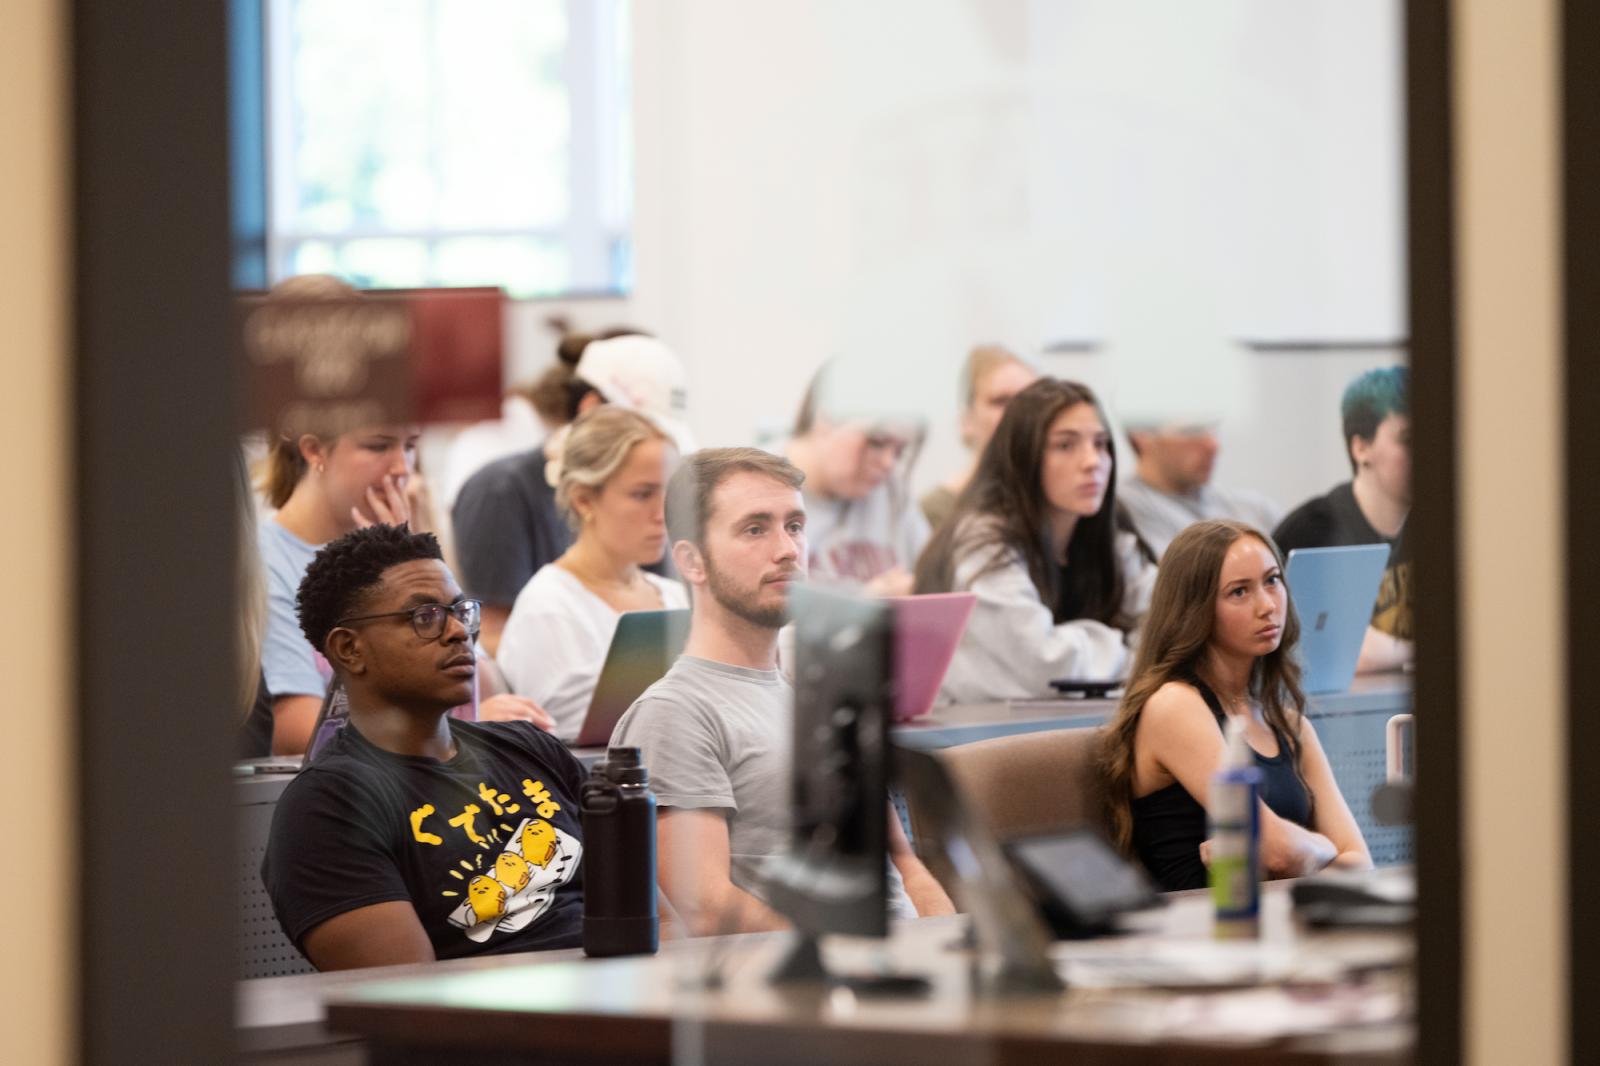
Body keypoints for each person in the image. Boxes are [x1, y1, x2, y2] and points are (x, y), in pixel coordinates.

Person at [609, 448, 953, 936]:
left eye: (795, 526)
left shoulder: (824, 701)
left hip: (898, 976)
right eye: (755, 529)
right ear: (692, 561)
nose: (788, 549)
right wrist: (847, 962)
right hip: (806, 986)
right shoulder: (675, 713)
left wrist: (945, 944)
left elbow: (902, 863)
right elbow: (705, 906)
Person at [262, 525, 587, 970]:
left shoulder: (531, 748)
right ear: (349, 649)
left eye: (461, 612)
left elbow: (659, 924)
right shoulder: (327, 807)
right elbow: (412, 1000)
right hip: (506, 1032)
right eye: (425, 617)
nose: (458, 632)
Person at [257, 278, 550, 754]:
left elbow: (484, 685)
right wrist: (464, 724)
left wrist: (415, 558)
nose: (400, 468)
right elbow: (297, 730)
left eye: (410, 447)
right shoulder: (268, 562)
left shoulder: (404, 546)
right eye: (377, 446)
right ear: (314, 450)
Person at [1099, 519, 1372, 891]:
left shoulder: (1291, 727)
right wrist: (1325, 849)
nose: (1267, 605)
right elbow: (1278, 852)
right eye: (1239, 592)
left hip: (1281, 927)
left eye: (1272, 580)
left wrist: (1308, 851)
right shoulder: (1174, 705)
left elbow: (1360, 863)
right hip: (1196, 932)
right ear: (1195, 610)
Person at [913, 378, 1158, 701]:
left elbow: (1171, 630)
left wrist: (1103, 654)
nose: (1092, 462)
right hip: (978, 740)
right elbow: (1047, 665)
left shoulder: (1108, 535)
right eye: (1066, 445)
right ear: (1023, 457)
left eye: (1100, 444)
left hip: (1066, 727)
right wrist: (1125, 647)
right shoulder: (983, 540)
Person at [452, 334, 693, 656]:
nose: (660, 512)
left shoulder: (665, 587)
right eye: (641, 493)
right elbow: (493, 637)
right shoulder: (501, 491)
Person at [496, 407, 689, 741]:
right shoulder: (550, 606)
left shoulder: (673, 594)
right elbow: (567, 730)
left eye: (669, 493)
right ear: (584, 500)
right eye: (643, 494)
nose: (663, 514)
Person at [1273, 366, 1411, 672]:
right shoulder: (1312, 531)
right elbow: (1328, 652)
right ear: (1361, 447)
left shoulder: (1441, 526)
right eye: (1408, 438)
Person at [784, 367, 929, 595]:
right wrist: (864, 606)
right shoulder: (760, 486)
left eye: (900, 450)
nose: (888, 463)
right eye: (877, 442)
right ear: (824, 419)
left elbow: (934, 582)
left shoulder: (892, 491)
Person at [1117, 422, 1281, 560]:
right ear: (1141, 435)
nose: (1213, 445)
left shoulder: (1256, 510)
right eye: (1192, 431)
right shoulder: (1119, 514)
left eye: (1212, 427)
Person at [920, 345, 1038, 531]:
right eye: (1001, 401)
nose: (1017, 412)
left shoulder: (1052, 507)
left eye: (1028, 401)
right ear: (967, 419)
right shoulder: (932, 513)